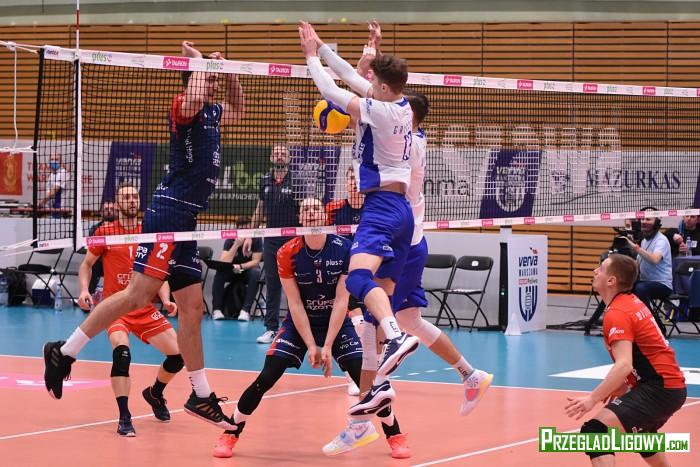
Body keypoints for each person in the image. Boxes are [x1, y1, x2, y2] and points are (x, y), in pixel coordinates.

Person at [42, 40, 245, 430]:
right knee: (136, 295)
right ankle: (64, 352)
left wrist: (231, 72)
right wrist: (199, 62)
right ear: (195, 81)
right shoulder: (183, 106)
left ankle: (200, 395)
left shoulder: (214, 111)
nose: (214, 84)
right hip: (167, 215)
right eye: (210, 80)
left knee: (193, 308)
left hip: (186, 222)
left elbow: (240, 108)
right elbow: (195, 94)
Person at [213, 198, 394, 458]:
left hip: (337, 323)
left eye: (315, 209)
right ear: (299, 218)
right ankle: (231, 432)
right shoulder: (287, 251)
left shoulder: (345, 249)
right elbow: (295, 303)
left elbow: (341, 300)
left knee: (365, 381)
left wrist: (327, 345)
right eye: (305, 209)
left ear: (324, 217)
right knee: (267, 375)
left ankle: (395, 435)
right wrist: (311, 345)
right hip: (300, 324)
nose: (310, 213)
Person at [299, 21, 419, 385]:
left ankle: (397, 337)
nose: (369, 83)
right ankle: (376, 390)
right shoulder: (402, 105)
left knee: (357, 280)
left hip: (381, 208)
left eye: (374, 80)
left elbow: (330, 88)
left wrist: (310, 56)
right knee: (378, 296)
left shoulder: (379, 111)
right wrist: (322, 47)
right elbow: (352, 75)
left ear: (382, 87)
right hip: (403, 212)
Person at [77, 182, 182, 437]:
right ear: (117, 203)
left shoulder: (149, 231)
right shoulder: (105, 232)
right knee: (122, 354)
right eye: (126, 197)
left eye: (135, 196)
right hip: (116, 307)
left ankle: (155, 393)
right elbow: (86, 265)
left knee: (179, 356)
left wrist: (166, 299)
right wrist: (84, 290)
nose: (132, 201)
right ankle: (124, 416)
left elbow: (159, 272)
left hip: (143, 307)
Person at [565, 254, 686, 466]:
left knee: (596, 431)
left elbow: (624, 364)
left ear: (611, 281)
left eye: (601, 269)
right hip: (666, 386)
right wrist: (621, 386)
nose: (595, 271)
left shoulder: (618, 312)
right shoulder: (630, 302)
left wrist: (593, 398)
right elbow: (642, 357)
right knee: (643, 437)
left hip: (660, 388)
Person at [246, 144, 299, 343]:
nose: (279, 156)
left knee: (296, 284)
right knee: (272, 283)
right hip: (270, 239)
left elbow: (304, 207)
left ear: (289, 158)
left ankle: (296, 328)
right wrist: (250, 235)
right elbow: (260, 208)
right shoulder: (264, 180)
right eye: (276, 153)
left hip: (293, 239)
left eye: (283, 154)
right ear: (271, 158)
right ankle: (270, 328)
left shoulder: (297, 181)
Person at [211, 221, 262, 321]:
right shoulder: (230, 239)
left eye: (247, 229)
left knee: (255, 272)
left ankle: (245, 311)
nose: (244, 232)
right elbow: (223, 262)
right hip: (232, 271)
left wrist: (241, 266)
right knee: (220, 272)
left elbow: (256, 261)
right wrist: (236, 245)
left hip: (246, 271)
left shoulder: (256, 239)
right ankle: (216, 310)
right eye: (242, 230)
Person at [86, 200, 116, 296]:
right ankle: (89, 295)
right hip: (100, 263)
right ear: (101, 212)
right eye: (106, 209)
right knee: (92, 265)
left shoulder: (122, 227)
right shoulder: (95, 228)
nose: (109, 211)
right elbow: (92, 248)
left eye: (112, 209)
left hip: (116, 262)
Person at [326, 166, 364, 237]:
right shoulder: (332, 208)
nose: (355, 182)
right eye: (352, 178)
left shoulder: (372, 209)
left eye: (359, 178)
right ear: (346, 183)